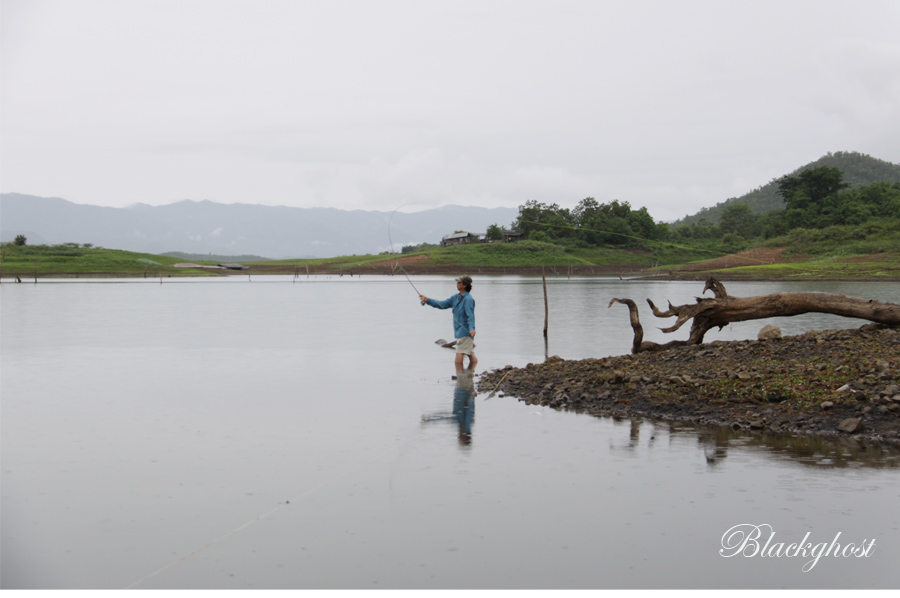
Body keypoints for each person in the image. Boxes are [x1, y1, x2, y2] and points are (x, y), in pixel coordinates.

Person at [419, 275, 477, 367]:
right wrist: (427, 300)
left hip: (465, 331)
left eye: (459, 282)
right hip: (459, 331)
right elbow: (442, 305)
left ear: (464, 285)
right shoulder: (455, 297)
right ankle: (471, 373)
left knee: (459, 355)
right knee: (470, 353)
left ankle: (461, 377)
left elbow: (470, 315)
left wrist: (472, 328)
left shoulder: (468, 299)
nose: (457, 284)